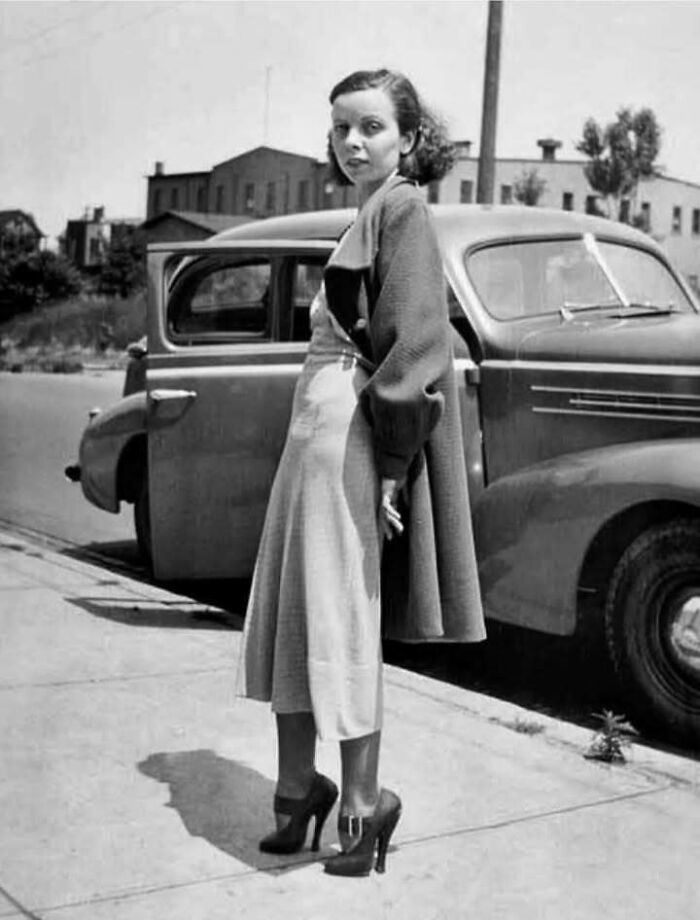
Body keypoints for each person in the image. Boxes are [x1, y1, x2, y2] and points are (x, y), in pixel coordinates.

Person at [237, 67, 485, 877]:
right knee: (293, 611)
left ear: (409, 138)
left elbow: (419, 346)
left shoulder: (404, 206)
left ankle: (363, 803)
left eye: (372, 127)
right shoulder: (369, 211)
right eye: (342, 127)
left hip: (348, 434)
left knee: (341, 615)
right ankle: (296, 786)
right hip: (314, 431)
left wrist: (389, 463)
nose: (352, 141)